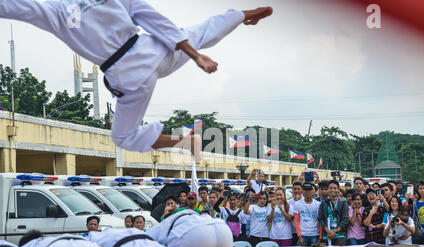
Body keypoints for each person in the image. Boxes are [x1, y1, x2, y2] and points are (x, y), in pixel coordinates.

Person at [0, 1, 274, 163]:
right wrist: (195, 55)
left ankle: (184, 143)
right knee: (197, 31)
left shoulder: (55, 9)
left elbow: (13, 7)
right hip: (155, 48)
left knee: (122, 137)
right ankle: (241, 15)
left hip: (130, 75)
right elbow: (156, 21)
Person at [318, 180, 349, 246]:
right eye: (330, 188)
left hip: (339, 235)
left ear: (338, 190)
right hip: (327, 235)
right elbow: (321, 219)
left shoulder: (343, 203)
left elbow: (345, 219)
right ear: (328, 190)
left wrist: (335, 231)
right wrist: (328, 231)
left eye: (335, 188)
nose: (332, 190)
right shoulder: (323, 203)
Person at [288, 182, 304, 246]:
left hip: (302, 231)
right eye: (295, 189)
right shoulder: (288, 202)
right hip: (292, 231)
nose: (296, 191)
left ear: (302, 190)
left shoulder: (305, 201)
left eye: (298, 189)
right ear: (292, 190)